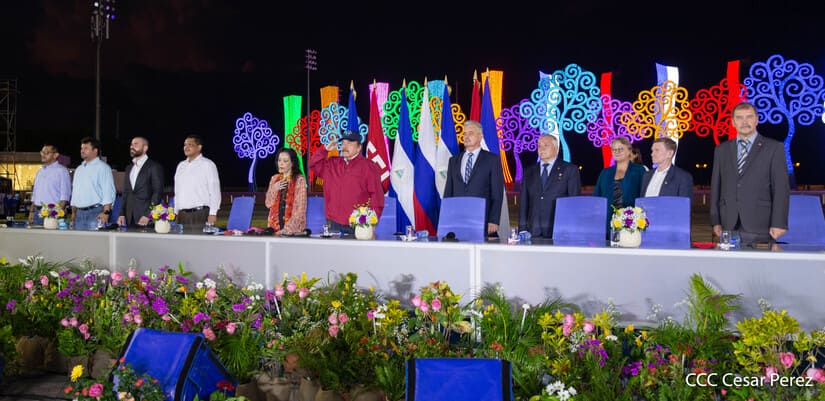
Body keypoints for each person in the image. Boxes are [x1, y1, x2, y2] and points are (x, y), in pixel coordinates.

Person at [711, 102, 789, 245]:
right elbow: (716, 186)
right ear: (733, 122)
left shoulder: (774, 148)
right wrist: (715, 220)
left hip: (761, 223)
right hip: (728, 223)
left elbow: (781, 188)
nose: (744, 122)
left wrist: (779, 222)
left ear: (757, 120)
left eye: (749, 117)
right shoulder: (721, 150)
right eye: (739, 118)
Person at [309, 130, 384, 235]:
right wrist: (325, 150)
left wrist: (371, 222)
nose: (345, 146)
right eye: (343, 143)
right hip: (333, 222)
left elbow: (377, 196)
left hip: (358, 222)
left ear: (359, 147)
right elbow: (313, 164)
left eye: (349, 143)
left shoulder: (368, 167)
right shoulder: (332, 163)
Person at [443, 120, 504, 237]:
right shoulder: (453, 161)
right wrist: (446, 218)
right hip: (457, 219)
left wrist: (494, 220)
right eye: (464, 133)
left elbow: (497, 193)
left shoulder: (492, 160)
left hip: (482, 219)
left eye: (470, 133)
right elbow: (448, 192)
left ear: (480, 136)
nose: (466, 137)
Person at [518, 134, 581, 238]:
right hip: (533, 231)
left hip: (560, 231)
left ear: (556, 149)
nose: (541, 149)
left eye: (546, 145)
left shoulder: (569, 170)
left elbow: (574, 202)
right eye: (539, 145)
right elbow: (524, 202)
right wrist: (522, 228)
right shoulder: (529, 172)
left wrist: (571, 229)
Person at [173, 134, 221, 227]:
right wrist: (176, 211)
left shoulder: (207, 164)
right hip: (182, 215)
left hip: (200, 213)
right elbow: (177, 191)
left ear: (199, 147)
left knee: (200, 237)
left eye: (190, 145)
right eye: (185, 145)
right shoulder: (181, 166)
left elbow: (215, 190)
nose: (186, 147)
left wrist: (213, 213)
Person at [70, 137, 116, 230]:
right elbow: (75, 193)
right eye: (81, 148)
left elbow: (108, 191)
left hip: (96, 213)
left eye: (86, 148)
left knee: (95, 240)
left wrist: (106, 213)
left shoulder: (103, 168)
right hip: (79, 214)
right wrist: (73, 213)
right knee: (79, 239)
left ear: (95, 151)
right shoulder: (79, 169)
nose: (82, 151)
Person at [117, 136, 164, 227]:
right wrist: (121, 214)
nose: (131, 146)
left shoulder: (154, 167)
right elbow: (126, 192)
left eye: (136, 144)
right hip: (129, 217)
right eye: (131, 144)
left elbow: (157, 193)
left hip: (146, 218)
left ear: (145, 148)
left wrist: (148, 214)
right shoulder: (129, 168)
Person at [593, 137, 645, 216]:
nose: (617, 152)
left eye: (620, 149)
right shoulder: (605, 172)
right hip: (607, 219)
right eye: (614, 149)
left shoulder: (639, 171)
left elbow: (643, 196)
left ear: (629, 151)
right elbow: (597, 197)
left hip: (631, 219)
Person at [265, 148, 307, 235]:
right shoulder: (274, 179)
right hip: (274, 229)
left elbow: (300, 210)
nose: (281, 163)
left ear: (292, 163)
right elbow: (268, 203)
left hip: (293, 230)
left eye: (285, 161)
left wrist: (286, 230)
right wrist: (274, 188)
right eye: (279, 160)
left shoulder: (299, 180)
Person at [28, 143, 72, 225]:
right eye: (42, 152)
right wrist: (31, 211)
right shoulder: (40, 171)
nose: (43, 155)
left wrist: (55, 214)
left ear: (55, 155)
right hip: (37, 213)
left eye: (46, 153)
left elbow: (65, 196)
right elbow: (35, 194)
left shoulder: (62, 171)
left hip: (52, 213)